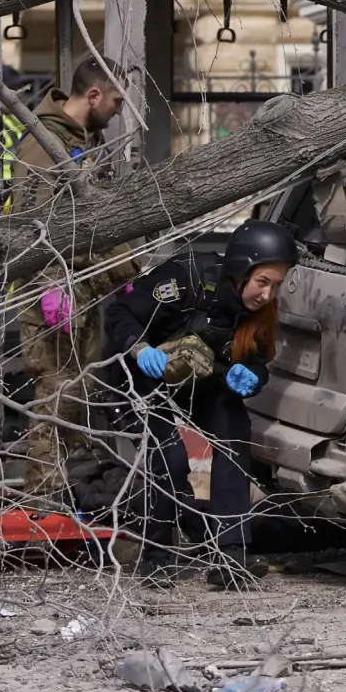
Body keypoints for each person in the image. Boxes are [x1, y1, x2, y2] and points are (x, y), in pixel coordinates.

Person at [104, 219, 296, 589]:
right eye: (262, 282)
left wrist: (253, 376)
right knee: (171, 457)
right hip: (147, 381)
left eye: (276, 285)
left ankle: (230, 558)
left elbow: (259, 358)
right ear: (241, 271)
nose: (267, 294)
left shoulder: (258, 311)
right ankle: (156, 558)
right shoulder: (186, 279)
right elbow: (120, 314)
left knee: (233, 437)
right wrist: (140, 349)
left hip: (204, 384)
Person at [11, 56, 143, 496]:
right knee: (55, 402)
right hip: (51, 296)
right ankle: (43, 504)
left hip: (86, 291)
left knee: (76, 399)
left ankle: (69, 497)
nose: (119, 111)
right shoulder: (44, 144)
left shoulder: (89, 141)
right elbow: (32, 226)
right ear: (93, 94)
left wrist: (122, 264)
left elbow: (98, 217)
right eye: (117, 101)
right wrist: (50, 287)